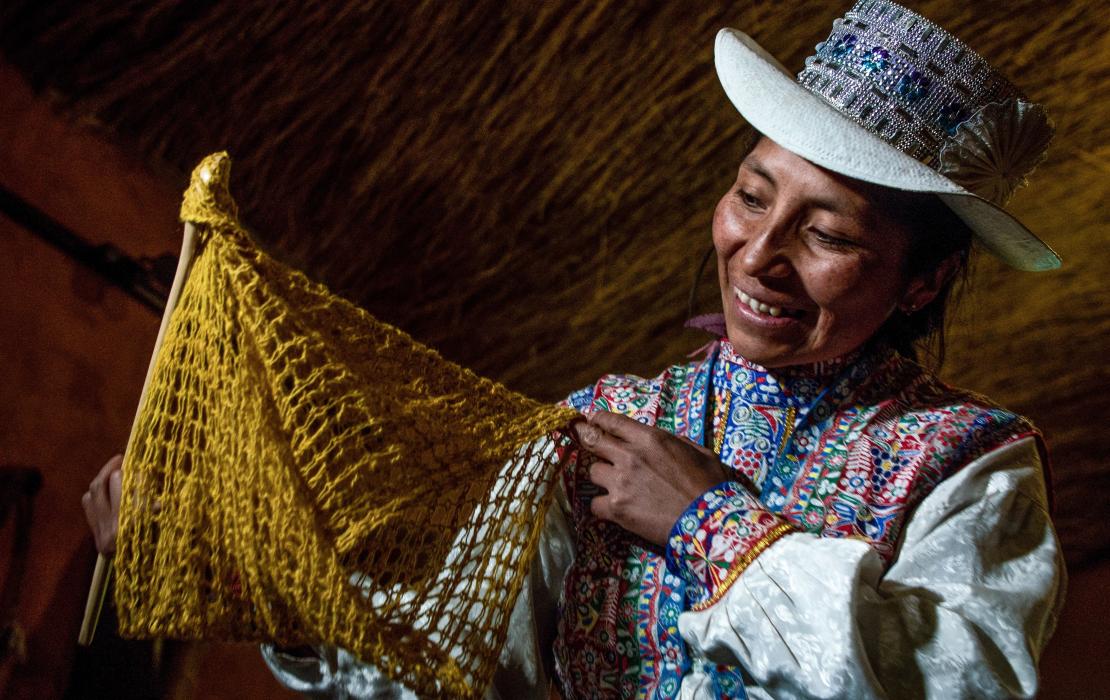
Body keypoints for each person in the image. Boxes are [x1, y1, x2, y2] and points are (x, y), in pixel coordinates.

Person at [84, 1, 1065, 697]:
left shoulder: (969, 463)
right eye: (753, 196)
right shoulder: (612, 421)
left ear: (922, 281)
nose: (758, 255)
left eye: (829, 234)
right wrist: (260, 583)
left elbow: (955, 683)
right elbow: (452, 672)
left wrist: (708, 523)